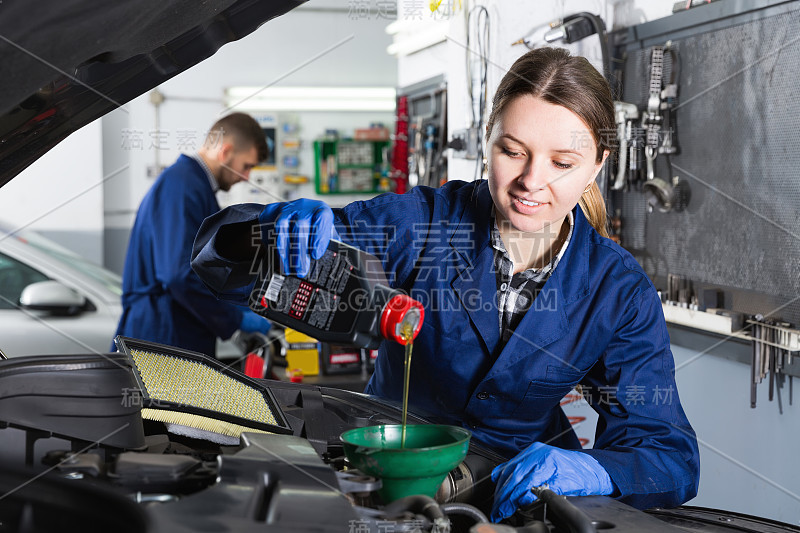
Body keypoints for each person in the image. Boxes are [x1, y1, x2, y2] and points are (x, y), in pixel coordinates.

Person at [191, 48, 699, 519]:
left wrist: (594, 470)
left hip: (516, 500)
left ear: (598, 165)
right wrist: (262, 233)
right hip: (384, 477)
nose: (531, 181)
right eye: (513, 151)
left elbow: (668, 456)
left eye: (563, 163)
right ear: (487, 139)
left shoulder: (618, 289)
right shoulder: (423, 221)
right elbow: (222, 266)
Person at [114, 112, 272, 357]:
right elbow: (178, 274)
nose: (246, 177)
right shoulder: (182, 186)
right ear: (226, 151)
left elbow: (202, 266)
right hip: (165, 335)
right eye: (246, 166)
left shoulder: (193, 187)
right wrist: (233, 319)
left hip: (175, 330)